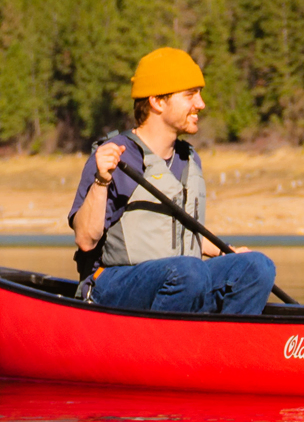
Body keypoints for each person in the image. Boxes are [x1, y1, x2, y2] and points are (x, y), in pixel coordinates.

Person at [68, 47, 276, 314]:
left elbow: (172, 233)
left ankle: (223, 346)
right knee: (189, 272)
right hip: (112, 286)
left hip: (183, 279)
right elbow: (85, 240)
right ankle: (167, 347)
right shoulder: (115, 155)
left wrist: (226, 253)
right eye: (190, 95)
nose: (200, 104)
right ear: (157, 101)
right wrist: (101, 181)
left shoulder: (189, 158)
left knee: (257, 267)